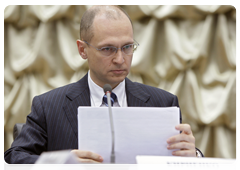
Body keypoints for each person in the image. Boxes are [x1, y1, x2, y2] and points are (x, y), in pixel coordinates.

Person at [4, 5, 203, 170]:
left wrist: (192, 156)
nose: (120, 59)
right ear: (83, 49)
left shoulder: (163, 103)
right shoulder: (48, 106)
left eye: (127, 47)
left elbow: (179, 162)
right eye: (108, 49)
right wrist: (64, 163)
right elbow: (13, 159)